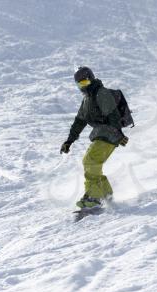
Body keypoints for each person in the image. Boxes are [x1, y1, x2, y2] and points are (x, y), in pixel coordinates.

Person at [60, 66, 129, 209]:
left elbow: (113, 115)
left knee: (90, 161)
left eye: (85, 82)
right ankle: (105, 192)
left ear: (91, 79)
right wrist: (69, 141)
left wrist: (119, 135)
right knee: (91, 163)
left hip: (110, 133)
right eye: (80, 84)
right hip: (101, 134)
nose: (83, 86)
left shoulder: (101, 93)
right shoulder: (86, 100)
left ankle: (94, 196)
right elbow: (79, 122)